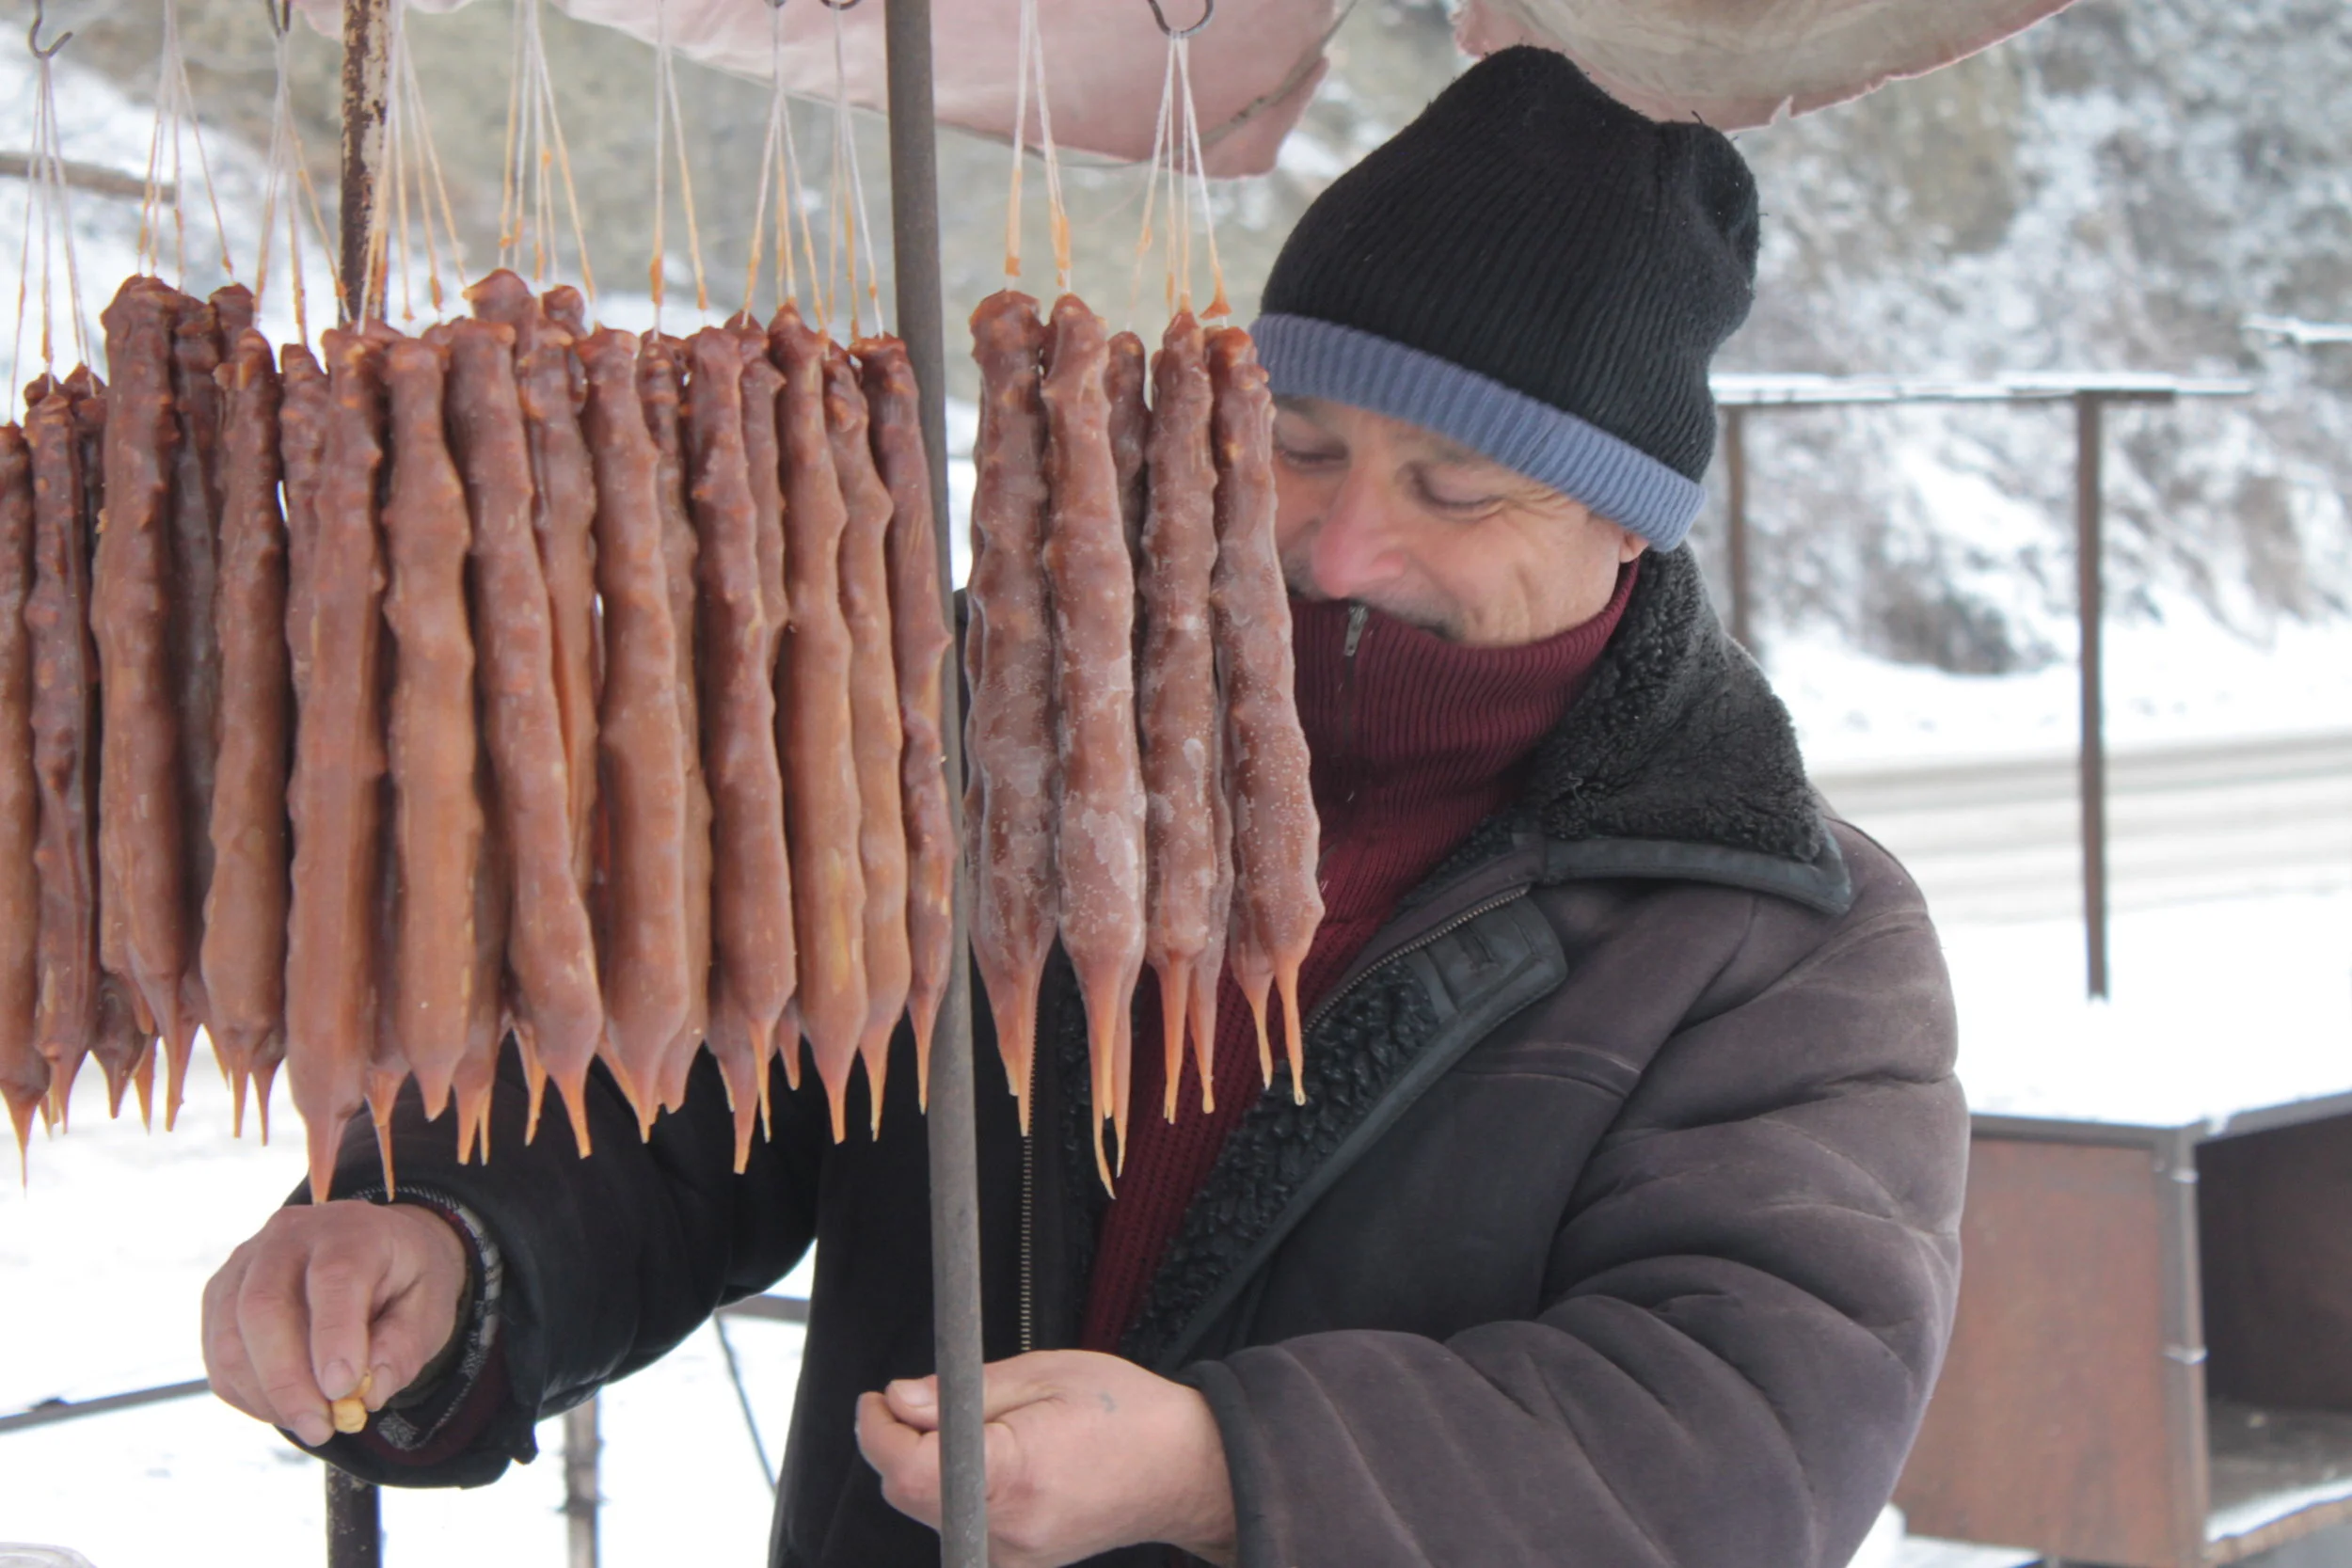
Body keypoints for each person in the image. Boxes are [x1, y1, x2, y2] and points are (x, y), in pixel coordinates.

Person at [201, 47, 1964, 1568]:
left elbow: (1743, 1430)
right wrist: (455, 1248)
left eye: (1458, 488)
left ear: (1627, 525)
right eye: (1301, 447)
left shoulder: (1780, 935)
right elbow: (700, 1087)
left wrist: (1220, 1467)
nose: (1346, 546)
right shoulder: (977, 733)